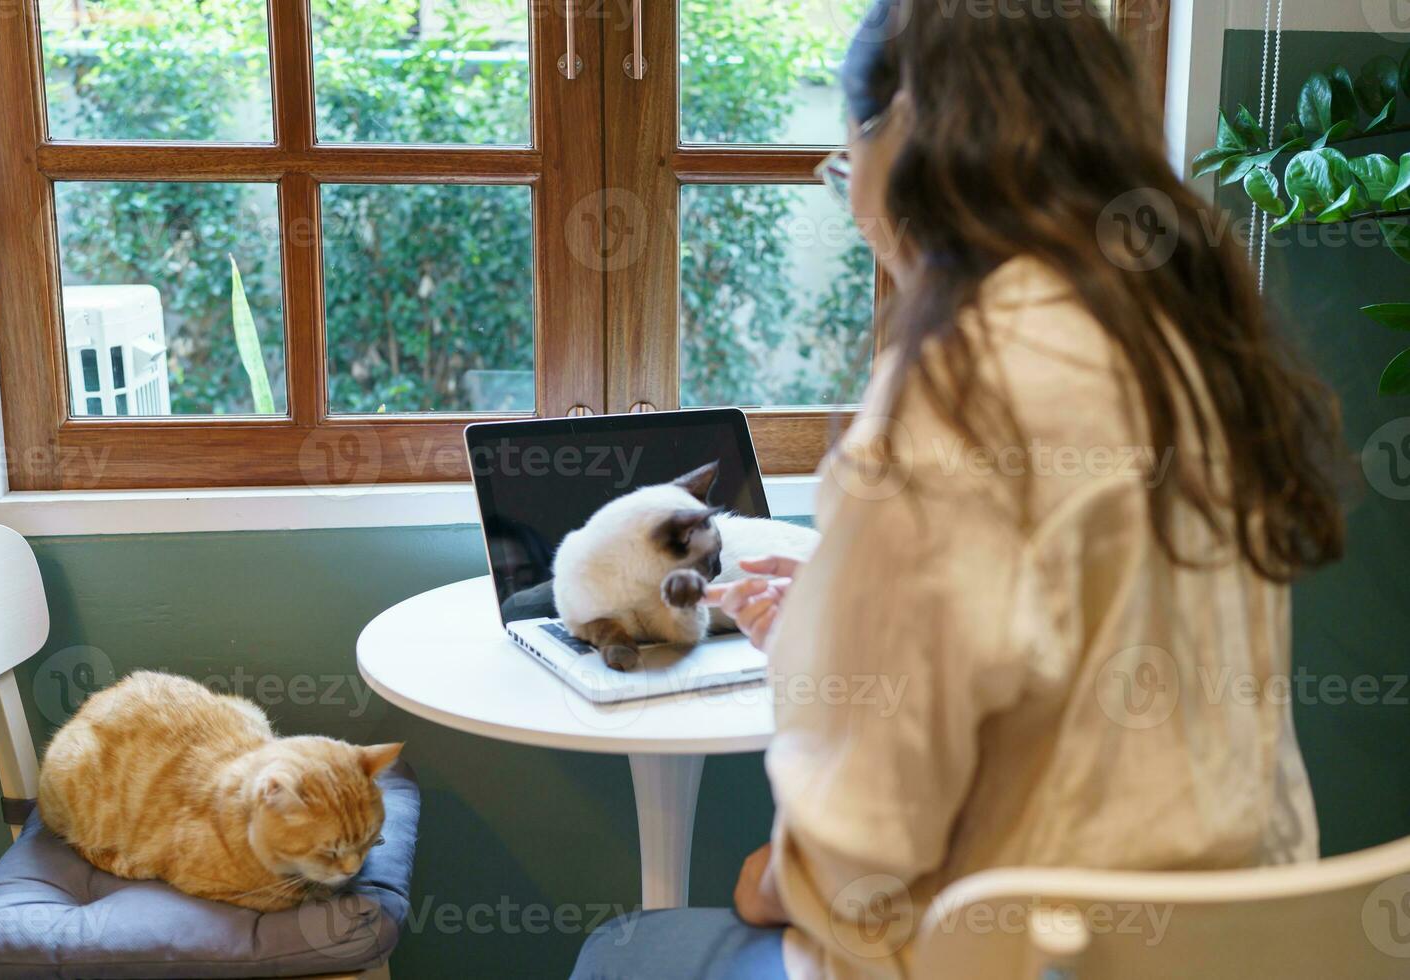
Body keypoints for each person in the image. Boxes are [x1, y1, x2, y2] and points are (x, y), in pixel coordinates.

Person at [571, 0, 1343, 976]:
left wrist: (768, 873)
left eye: (847, 166)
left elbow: (855, 857)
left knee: (625, 950)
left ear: (898, 139)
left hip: (1019, 958)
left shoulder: (956, 394)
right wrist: (841, 630)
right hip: (1240, 945)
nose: (855, 208)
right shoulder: (1192, 349)